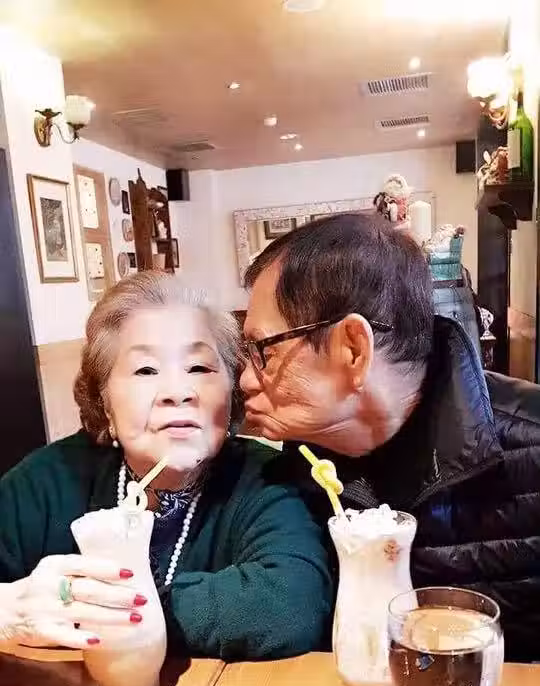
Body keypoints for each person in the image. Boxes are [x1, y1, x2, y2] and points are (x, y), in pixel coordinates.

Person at [240, 212, 540, 662]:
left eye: (264, 350)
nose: (245, 379)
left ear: (353, 349)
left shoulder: (530, 448)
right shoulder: (291, 470)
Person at [0, 272, 332, 661]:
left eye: (199, 369)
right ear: (104, 400)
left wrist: (107, 612)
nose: (177, 393)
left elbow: (291, 604)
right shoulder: (50, 478)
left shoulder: (267, 478)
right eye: (146, 370)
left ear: (231, 392)